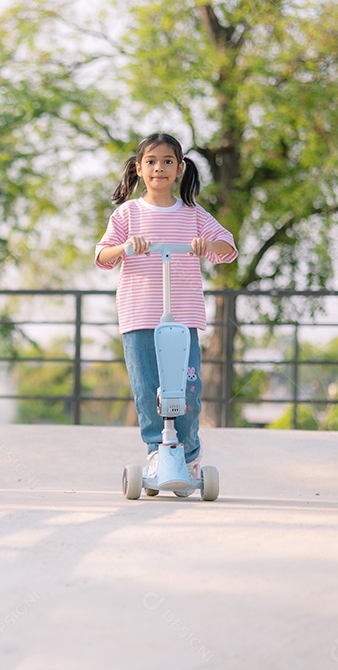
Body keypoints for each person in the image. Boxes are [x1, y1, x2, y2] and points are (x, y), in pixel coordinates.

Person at [95, 133, 237, 479]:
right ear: (139, 169)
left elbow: (228, 247)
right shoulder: (128, 214)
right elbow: (102, 256)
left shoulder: (193, 214)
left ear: (180, 169)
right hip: (139, 315)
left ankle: (188, 454)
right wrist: (126, 247)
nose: (160, 167)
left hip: (183, 316)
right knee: (147, 389)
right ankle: (155, 452)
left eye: (168, 161)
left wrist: (207, 244)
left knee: (186, 389)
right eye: (152, 162)